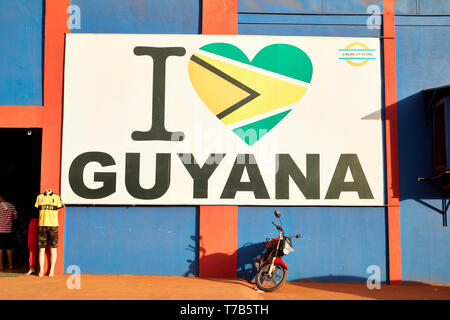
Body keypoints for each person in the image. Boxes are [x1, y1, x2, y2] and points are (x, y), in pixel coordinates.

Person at [35, 189, 64, 277]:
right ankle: (41, 270)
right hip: (42, 225)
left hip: (53, 226)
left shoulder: (57, 197)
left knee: (53, 249)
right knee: (41, 249)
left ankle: (52, 270)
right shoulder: (40, 197)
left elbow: (59, 209)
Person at [0, 195, 18, 270]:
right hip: (8, 230)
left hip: (0, 230)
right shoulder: (11, 206)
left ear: (1, 197)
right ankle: (10, 265)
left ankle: (1, 265)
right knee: (9, 248)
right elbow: (16, 216)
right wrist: (9, 219)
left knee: (0, 249)